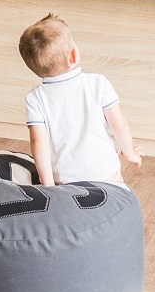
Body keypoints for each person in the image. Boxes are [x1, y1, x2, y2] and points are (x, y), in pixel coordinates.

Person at [19, 14, 141, 187]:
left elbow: (38, 142)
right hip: (104, 173)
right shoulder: (98, 83)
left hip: (65, 180)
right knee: (113, 200)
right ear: (73, 56)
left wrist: (48, 185)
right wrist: (129, 153)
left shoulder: (35, 98)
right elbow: (120, 125)